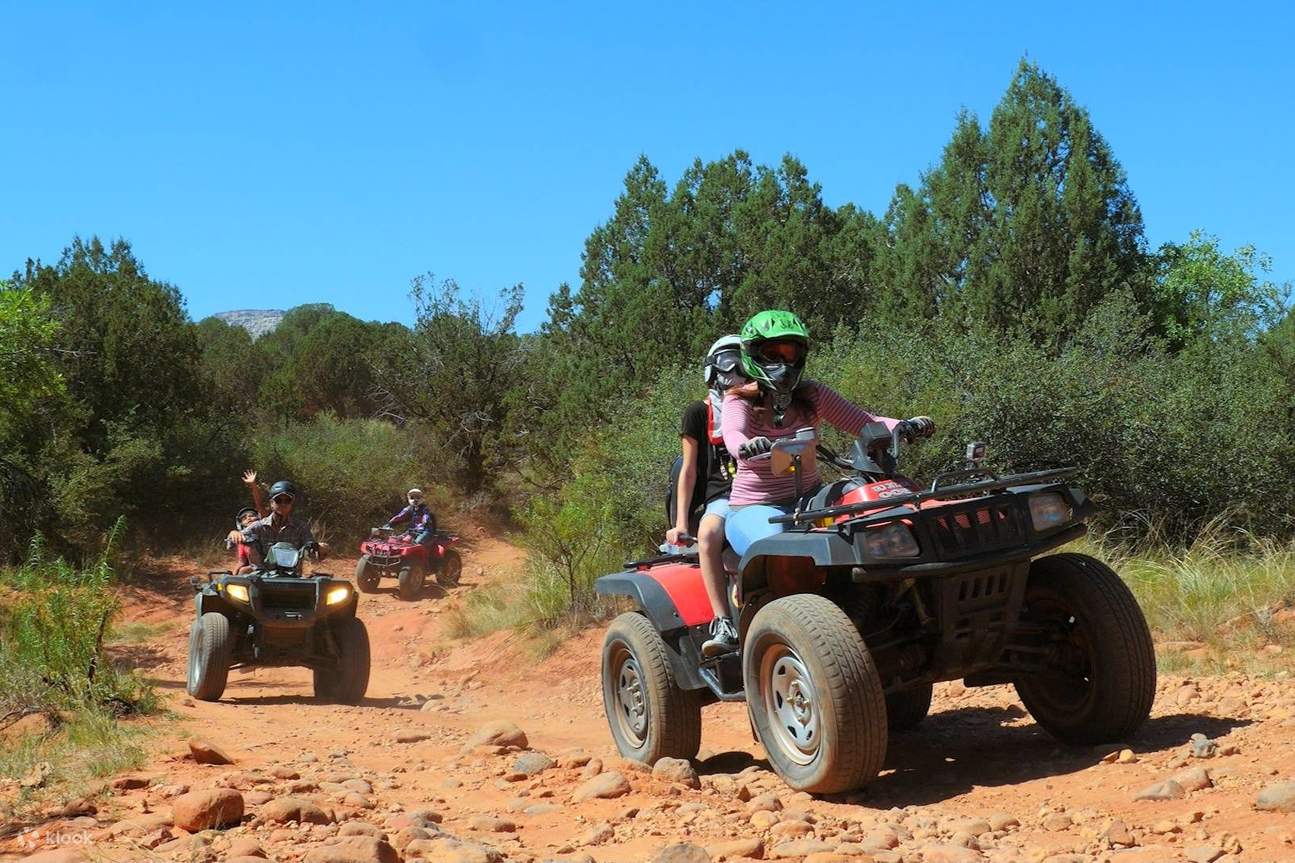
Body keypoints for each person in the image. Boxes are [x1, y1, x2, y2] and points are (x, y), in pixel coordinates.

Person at [719, 310, 934, 615]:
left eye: (790, 352)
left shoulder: (812, 394)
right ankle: (775, 603)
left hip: (810, 499)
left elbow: (864, 422)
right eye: (772, 353)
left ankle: (881, 591)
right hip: (755, 508)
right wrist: (745, 446)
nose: (783, 362)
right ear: (754, 355)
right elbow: (733, 434)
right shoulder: (738, 400)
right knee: (784, 547)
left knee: (868, 503)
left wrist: (905, 425)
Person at [664, 335, 745, 657]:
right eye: (728, 361)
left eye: (743, 360)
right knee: (710, 534)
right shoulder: (699, 412)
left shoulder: (763, 404)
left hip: (764, 491)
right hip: (724, 495)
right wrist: (681, 522)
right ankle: (723, 622)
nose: (736, 370)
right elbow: (689, 469)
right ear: (712, 370)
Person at [231, 480, 320, 569]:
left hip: (292, 578)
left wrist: (320, 548)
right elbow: (233, 540)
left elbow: (311, 546)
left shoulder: (300, 527)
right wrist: (234, 533)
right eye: (278, 500)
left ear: (292, 503)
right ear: (271, 503)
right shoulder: (259, 526)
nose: (283, 504)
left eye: (287, 500)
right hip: (262, 578)